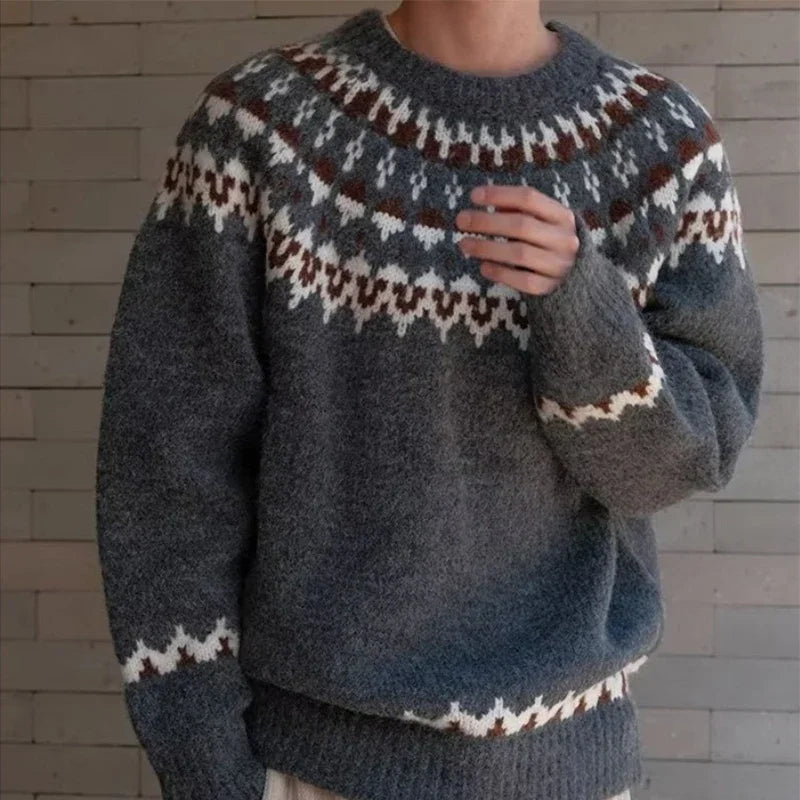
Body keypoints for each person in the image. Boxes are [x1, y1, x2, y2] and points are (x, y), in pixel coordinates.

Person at [94, 2, 764, 799]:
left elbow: (673, 469)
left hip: (571, 768)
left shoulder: (664, 145)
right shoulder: (259, 127)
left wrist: (584, 313)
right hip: (313, 769)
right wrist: (209, 769)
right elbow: (165, 475)